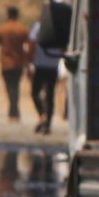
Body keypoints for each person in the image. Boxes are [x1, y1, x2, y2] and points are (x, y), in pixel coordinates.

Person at [0, 5, 32, 122]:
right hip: (19, 62)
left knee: (10, 87)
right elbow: (30, 44)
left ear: (8, 15)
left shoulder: (3, 29)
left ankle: (13, 111)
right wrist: (28, 58)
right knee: (15, 86)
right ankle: (14, 110)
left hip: (6, 63)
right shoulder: (22, 29)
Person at [31, 8, 63, 136]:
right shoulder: (59, 28)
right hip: (53, 65)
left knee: (35, 93)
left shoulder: (38, 26)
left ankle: (42, 115)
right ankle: (47, 123)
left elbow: (32, 43)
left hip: (40, 64)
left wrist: (30, 60)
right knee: (50, 95)